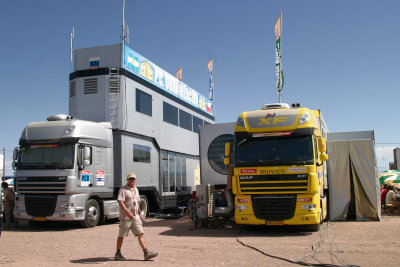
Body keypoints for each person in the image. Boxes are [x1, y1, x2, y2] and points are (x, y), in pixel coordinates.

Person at [115, 173, 158, 261]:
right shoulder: (123, 189)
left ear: (135, 180)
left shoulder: (136, 189)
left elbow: (137, 202)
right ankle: (117, 253)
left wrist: (139, 213)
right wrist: (128, 213)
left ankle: (146, 253)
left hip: (135, 217)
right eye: (130, 179)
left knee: (141, 234)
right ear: (127, 180)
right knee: (121, 236)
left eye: (133, 179)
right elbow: (121, 202)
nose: (132, 180)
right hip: (126, 218)